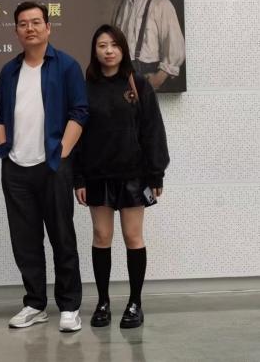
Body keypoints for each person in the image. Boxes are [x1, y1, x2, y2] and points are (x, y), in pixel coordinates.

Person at [0, 1, 88, 332]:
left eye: (36, 22)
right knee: (25, 241)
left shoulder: (67, 66)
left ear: (48, 27)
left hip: (53, 166)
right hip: (16, 168)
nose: (30, 28)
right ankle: (35, 304)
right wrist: (5, 147)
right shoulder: (9, 71)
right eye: (23, 23)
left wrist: (61, 153)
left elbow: (79, 112)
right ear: (16, 30)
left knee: (62, 237)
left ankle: (69, 306)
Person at [74, 24, 169, 329]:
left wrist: (156, 175)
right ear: (95, 50)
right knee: (101, 236)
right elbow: (77, 136)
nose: (109, 51)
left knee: (132, 237)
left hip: (133, 175)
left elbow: (153, 130)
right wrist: (79, 178)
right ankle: (102, 302)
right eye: (102, 45)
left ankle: (135, 303)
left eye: (114, 45)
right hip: (97, 175)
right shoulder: (85, 87)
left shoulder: (138, 84)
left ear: (123, 49)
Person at [113, 0, 186, 91]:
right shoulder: (120, 4)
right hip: (121, 76)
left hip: (150, 77)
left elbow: (175, 46)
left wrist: (158, 78)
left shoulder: (161, 3)